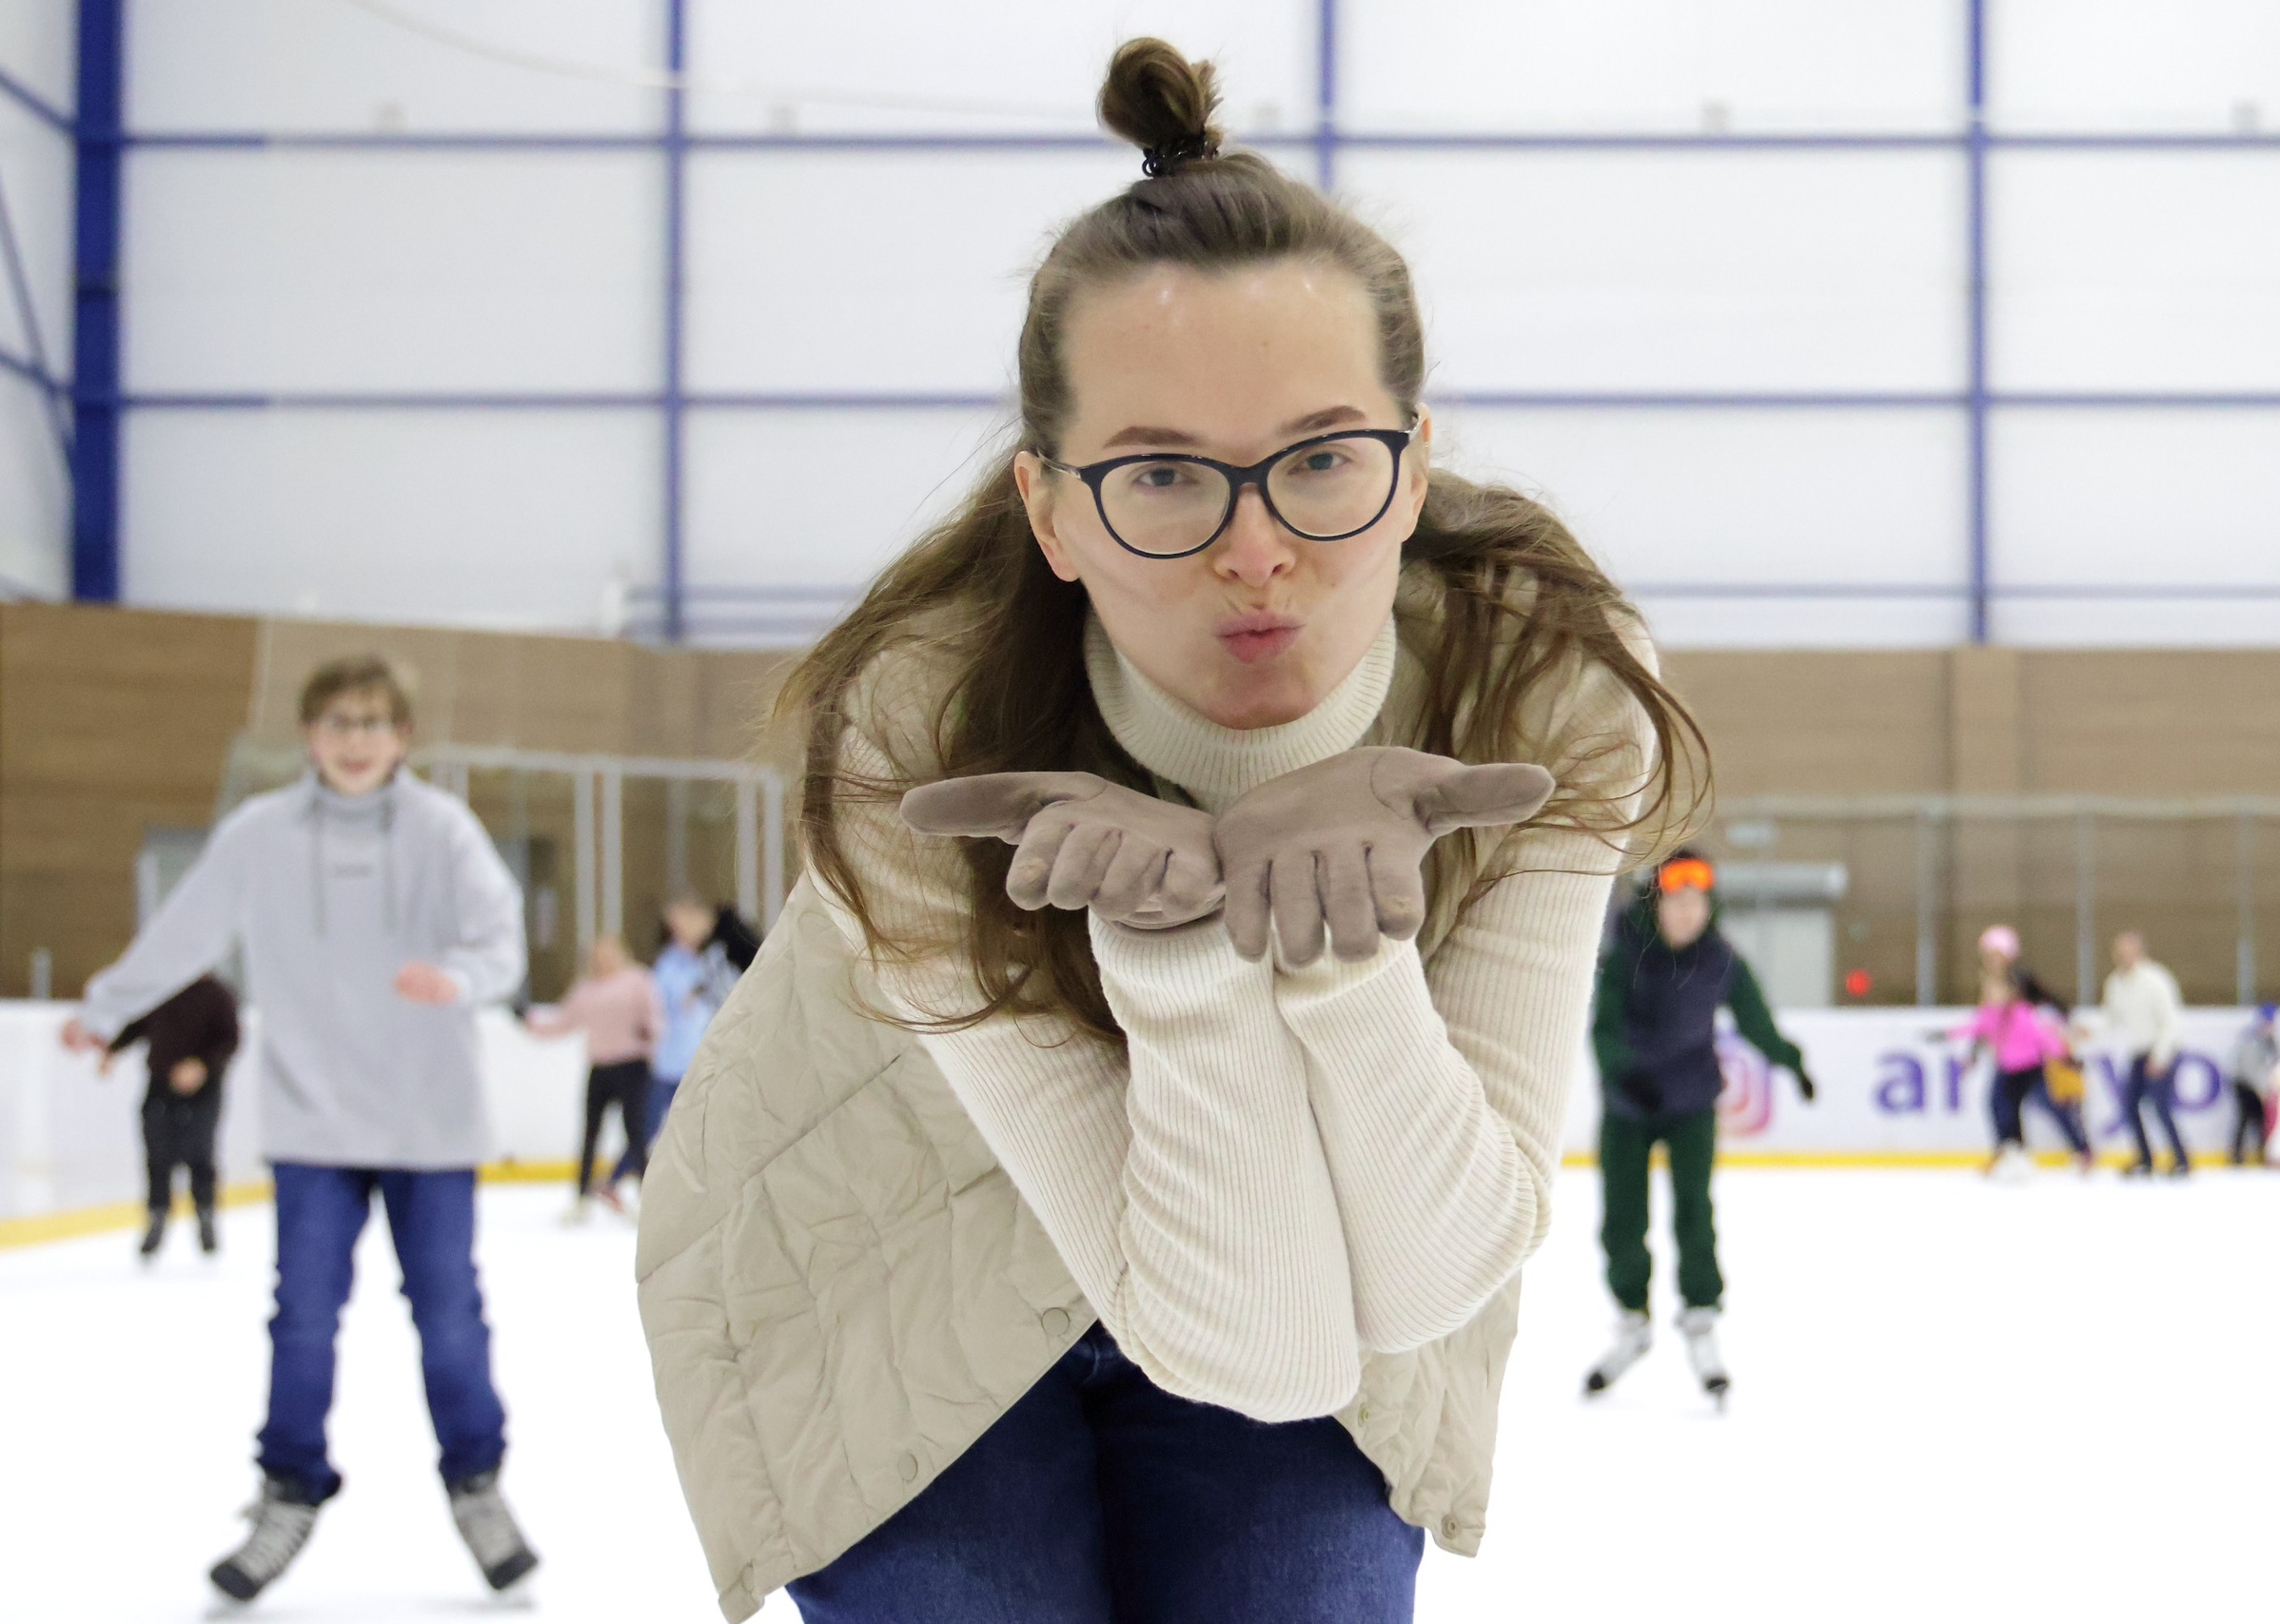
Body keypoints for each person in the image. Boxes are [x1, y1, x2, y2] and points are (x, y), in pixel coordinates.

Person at [634, 38, 1700, 1624]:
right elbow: (1223, 1329)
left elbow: (1406, 1281)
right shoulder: (921, 729)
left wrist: (1337, 943)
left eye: (1324, 459)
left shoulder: (1539, 693)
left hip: (1318, 1272)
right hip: (883, 1249)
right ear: (1050, 510)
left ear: (1414, 466)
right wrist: (1182, 943)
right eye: (1158, 477)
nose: (1255, 551)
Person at [59, 655, 541, 1603]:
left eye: (372, 723)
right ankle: (288, 1489)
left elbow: (501, 937)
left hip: (430, 1124)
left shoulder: (444, 832)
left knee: (449, 1318)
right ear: (309, 737)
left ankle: (476, 1484)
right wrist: (109, 1007)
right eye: (336, 722)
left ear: (402, 738)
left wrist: (463, 979)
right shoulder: (260, 835)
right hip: (312, 1122)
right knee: (303, 1321)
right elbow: (185, 933)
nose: (355, 740)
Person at [1582, 851, 1812, 1403]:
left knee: (1694, 1212)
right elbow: (1603, 1027)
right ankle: (1632, 1320)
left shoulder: (1720, 961)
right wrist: (1621, 1073)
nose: (1688, 913)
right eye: (1677, 901)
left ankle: (1701, 1320)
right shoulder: (1624, 955)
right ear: (1655, 903)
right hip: (1629, 1104)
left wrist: (1791, 1061)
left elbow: (1755, 1019)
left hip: (1690, 1101)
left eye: (1698, 902)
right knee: (1622, 1219)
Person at [100, 972, 242, 1259]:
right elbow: (138, 1023)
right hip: (161, 1085)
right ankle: (157, 1217)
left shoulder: (216, 994)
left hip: (203, 1088)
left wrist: (201, 1066)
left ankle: (205, 1216)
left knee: (200, 1151)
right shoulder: (160, 988)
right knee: (157, 1153)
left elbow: (230, 1038)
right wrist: (112, 1050)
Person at [607, 893, 742, 1195]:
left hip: (694, 1061)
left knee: (698, 1128)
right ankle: (615, 1181)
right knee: (651, 1127)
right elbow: (665, 1007)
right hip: (670, 1064)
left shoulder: (707, 960)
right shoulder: (669, 965)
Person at [523, 935, 661, 1218]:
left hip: (631, 1065)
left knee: (635, 1130)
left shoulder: (637, 981)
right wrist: (531, 1024)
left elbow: (656, 1017)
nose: (602, 960)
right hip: (600, 1067)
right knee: (590, 1132)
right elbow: (564, 1021)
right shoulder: (587, 989)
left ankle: (647, 1198)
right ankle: (582, 1195)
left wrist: (651, 1033)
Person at [1948, 925, 2091, 1179]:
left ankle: (2082, 1150)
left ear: (2008, 954)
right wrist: (1972, 1053)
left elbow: (2048, 1000)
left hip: (2030, 1056)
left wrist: (2067, 1027)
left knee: (2051, 1104)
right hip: (2006, 1058)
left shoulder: (2021, 979)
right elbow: (1985, 1023)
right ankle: (2009, 1151)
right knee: (1998, 1105)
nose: (1991, 959)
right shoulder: (1988, 981)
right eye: (1988, 954)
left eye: (1996, 954)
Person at [2095, 930, 2191, 1178]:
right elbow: (2111, 1019)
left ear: (2139, 951)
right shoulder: (2115, 982)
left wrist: (2160, 1056)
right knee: (2129, 1106)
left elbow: (2171, 1021)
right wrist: (2088, 1029)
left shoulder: (2155, 979)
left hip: (2163, 1049)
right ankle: (2146, 1159)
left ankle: (2181, 1159)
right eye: (2119, 951)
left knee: (2160, 1106)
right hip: (2139, 1052)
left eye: (2128, 950)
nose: (2123, 955)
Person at [2226, 1002, 2279, 1166]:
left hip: (2256, 1084)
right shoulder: (2252, 1038)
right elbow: (2248, 1067)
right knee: (2244, 1117)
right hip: (2242, 1081)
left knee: (2259, 1119)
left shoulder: (2269, 1039)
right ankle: (2236, 1154)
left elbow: (2276, 1060)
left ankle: (2262, 1153)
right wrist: (2260, 1089)